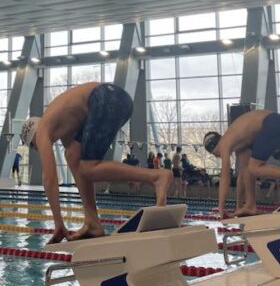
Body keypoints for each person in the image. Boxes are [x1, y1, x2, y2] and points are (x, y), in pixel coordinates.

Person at [20, 82, 172, 243]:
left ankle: (156, 176)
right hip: (116, 98)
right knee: (72, 156)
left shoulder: (43, 128)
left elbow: (49, 178)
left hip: (106, 98)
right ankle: (92, 222)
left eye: (35, 147)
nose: (40, 149)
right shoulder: (62, 122)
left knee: (88, 168)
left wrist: (58, 223)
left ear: (33, 140)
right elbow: (73, 159)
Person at [204, 110, 280, 218]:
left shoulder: (224, 144)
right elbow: (243, 175)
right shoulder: (238, 143)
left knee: (255, 167)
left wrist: (221, 207)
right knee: (249, 169)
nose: (217, 156)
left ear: (214, 146)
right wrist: (239, 206)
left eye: (214, 154)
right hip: (278, 123)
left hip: (274, 124)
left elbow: (225, 177)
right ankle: (250, 206)